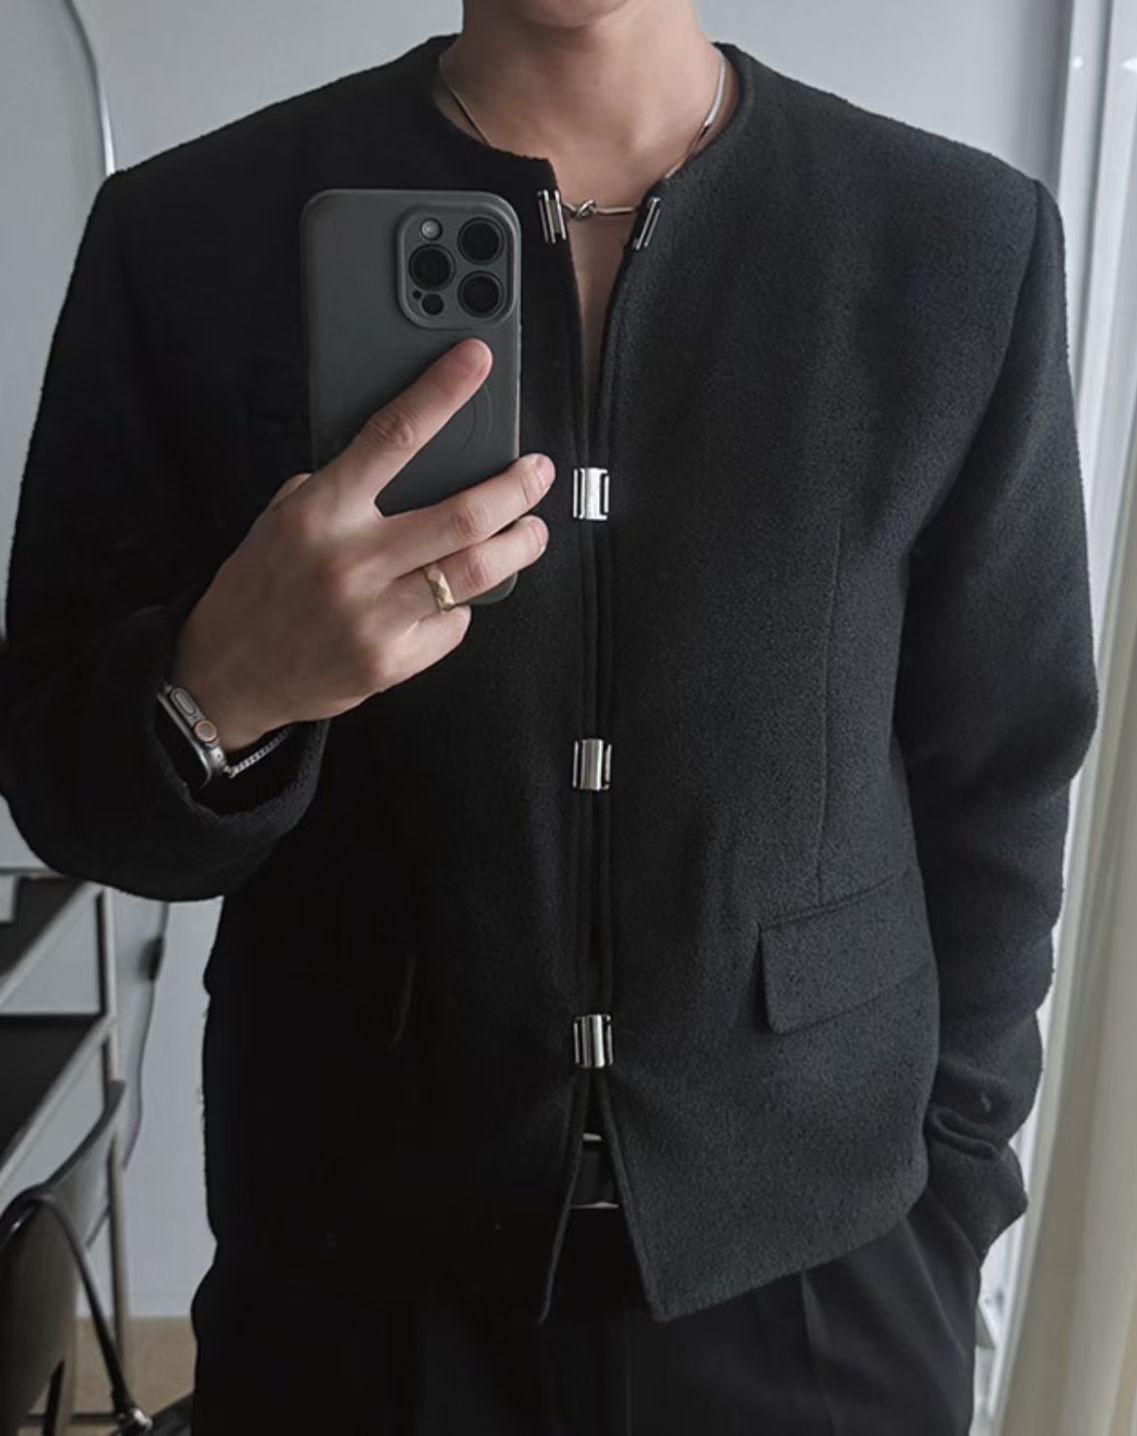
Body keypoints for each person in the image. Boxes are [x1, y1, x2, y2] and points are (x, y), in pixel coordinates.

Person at [0, 2, 1100, 1432]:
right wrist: (222, 689)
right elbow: (65, 789)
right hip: (353, 1275)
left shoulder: (956, 243)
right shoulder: (188, 237)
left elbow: (1000, 776)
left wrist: (954, 1191)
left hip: (829, 1276)